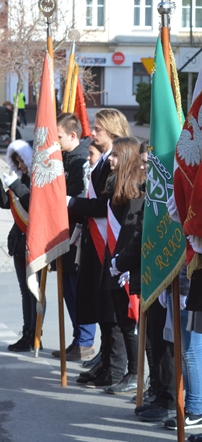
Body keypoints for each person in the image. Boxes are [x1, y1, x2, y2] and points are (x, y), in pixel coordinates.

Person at [71, 108, 131, 388]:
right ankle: (105, 361)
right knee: (100, 307)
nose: (92, 133)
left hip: (109, 240)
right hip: (96, 241)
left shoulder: (115, 164)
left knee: (110, 310)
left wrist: (71, 203)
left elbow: (103, 205)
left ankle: (115, 366)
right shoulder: (102, 162)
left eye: (97, 129)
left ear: (113, 133)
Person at [103, 137, 145, 394]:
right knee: (121, 319)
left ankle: (137, 374)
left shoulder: (138, 193)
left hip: (128, 265)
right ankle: (130, 371)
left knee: (132, 324)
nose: (111, 159)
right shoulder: (115, 186)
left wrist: (125, 264)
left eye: (116, 155)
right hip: (117, 263)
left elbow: (133, 233)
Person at [55, 113, 95, 361]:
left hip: (76, 235)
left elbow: (78, 198)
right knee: (69, 291)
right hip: (65, 234)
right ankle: (78, 339)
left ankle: (85, 341)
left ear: (72, 135)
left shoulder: (80, 160)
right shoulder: (66, 157)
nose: (55, 141)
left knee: (78, 291)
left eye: (58, 136)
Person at [1, 140, 36, 352]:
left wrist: (16, 185)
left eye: (22, 160)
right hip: (18, 240)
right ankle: (27, 333)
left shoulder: (37, 180)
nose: (20, 166)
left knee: (33, 291)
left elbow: (32, 203)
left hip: (33, 242)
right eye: (16, 162)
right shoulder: (21, 177)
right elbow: (7, 203)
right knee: (25, 291)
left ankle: (34, 333)